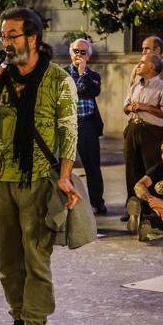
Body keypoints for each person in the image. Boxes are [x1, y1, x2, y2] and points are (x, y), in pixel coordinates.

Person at [0, 6, 78, 325]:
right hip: (2, 177)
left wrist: (64, 176)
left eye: (12, 36)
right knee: (8, 259)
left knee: (37, 257)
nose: (6, 43)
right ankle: (17, 320)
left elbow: (69, 131)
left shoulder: (58, 80)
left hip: (39, 179)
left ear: (32, 38)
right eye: (3, 37)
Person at [122, 53, 163, 216]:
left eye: (142, 62)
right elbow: (125, 107)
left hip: (150, 132)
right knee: (131, 169)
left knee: (150, 170)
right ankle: (133, 208)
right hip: (133, 129)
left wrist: (145, 107)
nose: (138, 65)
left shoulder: (162, 87)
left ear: (152, 66)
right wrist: (131, 108)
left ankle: (151, 208)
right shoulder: (136, 85)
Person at [66, 38, 107, 214]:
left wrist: (82, 74)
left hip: (87, 124)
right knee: (63, 165)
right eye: (76, 51)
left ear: (88, 56)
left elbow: (93, 91)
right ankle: (65, 200)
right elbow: (70, 94)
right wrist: (80, 85)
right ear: (70, 53)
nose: (79, 55)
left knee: (92, 166)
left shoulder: (93, 75)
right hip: (67, 125)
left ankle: (97, 202)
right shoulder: (62, 74)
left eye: (83, 52)